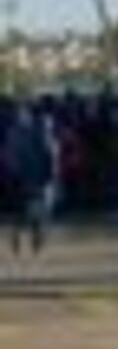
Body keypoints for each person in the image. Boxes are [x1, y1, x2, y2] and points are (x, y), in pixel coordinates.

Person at [5, 107, 60, 256]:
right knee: (32, 212)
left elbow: (51, 161)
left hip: (30, 179)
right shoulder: (28, 137)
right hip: (30, 180)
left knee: (31, 212)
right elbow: (51, 162)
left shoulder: (34, 137)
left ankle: (27, 238)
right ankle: (25, 237)